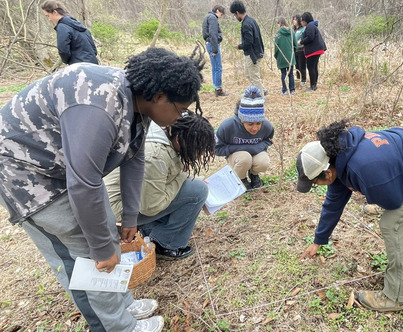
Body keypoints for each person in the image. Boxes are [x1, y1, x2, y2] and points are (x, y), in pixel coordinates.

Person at [0, 47, 205, 332]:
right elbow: (84, 182)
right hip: (29, 175)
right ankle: (117, 326)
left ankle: (122, 307)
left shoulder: (138, 100)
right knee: (88, 257)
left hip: (67, 172)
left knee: (106, 233)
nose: (178, 117)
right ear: (159, 97)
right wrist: (99, 247)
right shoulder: (98, 106)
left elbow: (135, 157)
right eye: (179, 109)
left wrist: (130, 218)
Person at [296, 120, 403, 312]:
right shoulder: (339, 155)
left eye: (315, 183)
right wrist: (318, 240)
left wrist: (380, 193)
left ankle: (398, 297)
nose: (318, 186)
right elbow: (333, 204)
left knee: (395, 222)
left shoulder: (364, 166)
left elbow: (393, 202)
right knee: (391, 207)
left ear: (328, 173)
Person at [105, 113, 216, 260]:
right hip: (116, 212)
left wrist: (190, 177)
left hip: (123, 199)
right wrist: (182, 177)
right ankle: (167, 243)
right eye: (197, 149)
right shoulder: (156, 156)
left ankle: (150, 229)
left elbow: (163, 177)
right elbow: (151, 206)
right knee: (197, 191)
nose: (199, 154)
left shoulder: (162, 132)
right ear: (179, 139)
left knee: (193, 185)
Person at [215, 86, 274, 190]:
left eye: (258, 123)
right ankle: (241, 178)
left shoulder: (267, 127)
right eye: (250, 124)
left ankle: (254, 174)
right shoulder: (227, 127)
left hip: (256, 153)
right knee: (244, 158)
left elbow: (268, 141)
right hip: (238, 157)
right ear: (241, 119)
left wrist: (257, 148)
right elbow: (216, 149)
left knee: (263, 162)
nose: (255, 128)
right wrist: (245, 148)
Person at [41, 0, 98, 65]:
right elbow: (94, 50)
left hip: (79, 66)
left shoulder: (62, 27)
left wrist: (67, 61)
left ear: (55, 12)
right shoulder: (79, 25)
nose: (49, 19)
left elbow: (63, 51)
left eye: (48, 15)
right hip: (93, 65)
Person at [229, 0, 268, 96]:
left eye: (235, 15)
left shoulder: (246, 24)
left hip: (253, 55)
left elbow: (248, 42)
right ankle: (263, 90)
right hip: (256, 52)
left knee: (254, 77)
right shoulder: (251, 21)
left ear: (237, 13)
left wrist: (239, 46)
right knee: (248, 74)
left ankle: (261, 98)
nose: (235, 17)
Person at [202, 5, 229, 97]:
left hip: (208, 43)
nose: (221, 16)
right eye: (221, 14)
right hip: (212, 44)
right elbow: (213, 34)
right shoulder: (213, 18)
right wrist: (215, 49)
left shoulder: (207, 17)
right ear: (217, 11)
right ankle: (218, 89)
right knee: (218, 67)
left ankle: (216, 87)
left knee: (214, 67)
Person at [297, 12, 326, 91]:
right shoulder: (313, 26)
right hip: (317, 49)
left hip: (314, 50)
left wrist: (301, 42)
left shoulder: (310, 26)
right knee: (314, 67)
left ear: (305, 20)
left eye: (302, 20)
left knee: (311, 67)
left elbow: (310, 37)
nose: (301, 22)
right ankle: (314, 85)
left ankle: (312, 86)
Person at [274, 17, 296, 96]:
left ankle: (285, 90)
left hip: (281, 57)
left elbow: (276, 47)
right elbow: (295, 44)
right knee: (291, 73)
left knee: (283, 73)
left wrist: (276, 56)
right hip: (291, 56)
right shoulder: (292, 31)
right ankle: (292, 90)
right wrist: (293, 53)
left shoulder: (278, 34)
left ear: (279, 23)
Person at [292, 14, 307, 86]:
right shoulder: (293, 30)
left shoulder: (303, 29)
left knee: (302, 65)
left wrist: (300, 42)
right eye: (293, 19)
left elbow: (304, 38)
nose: (294, 21)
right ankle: (298, 78)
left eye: (295, 19)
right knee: (296, 66)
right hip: (295, 50)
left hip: (301, 50)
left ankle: (303, 80)